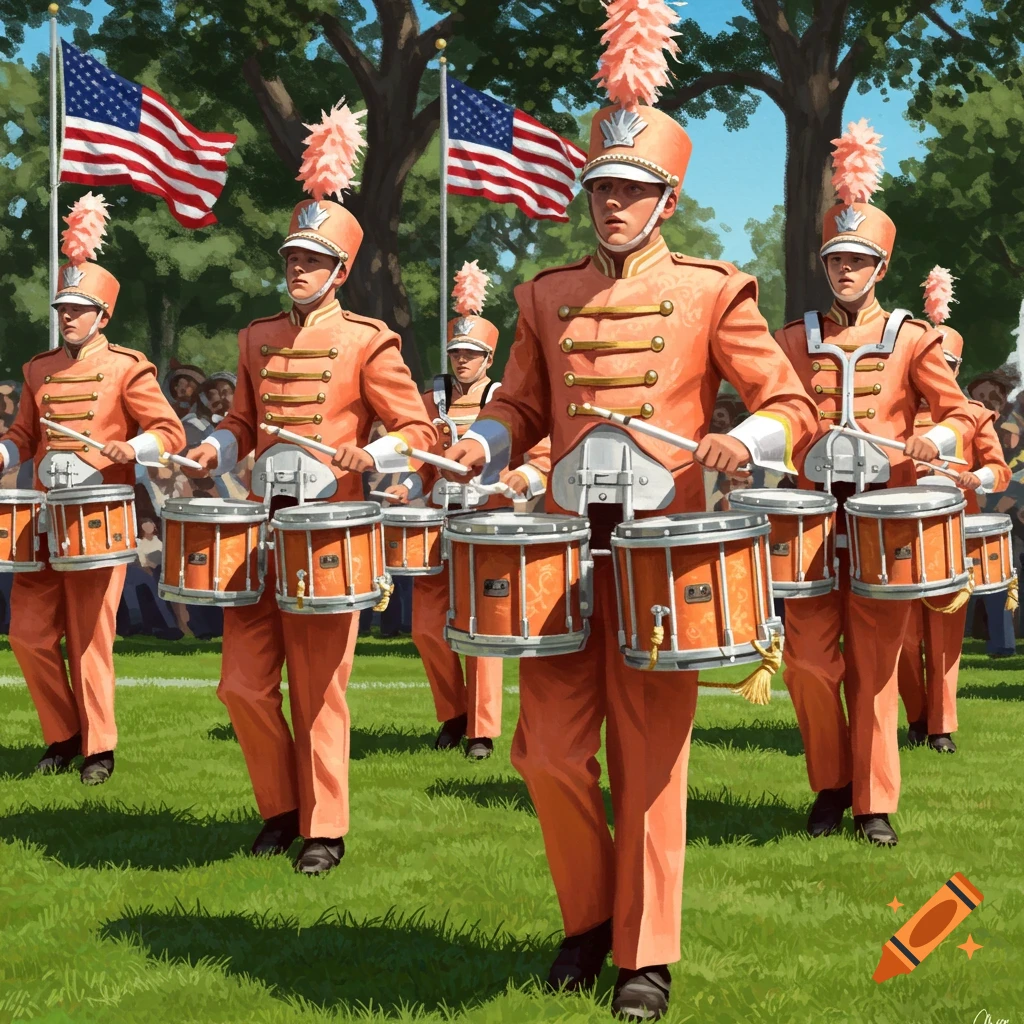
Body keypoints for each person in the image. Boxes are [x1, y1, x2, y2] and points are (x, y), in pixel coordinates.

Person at [440, 4, 818, 1015]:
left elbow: (791, 402)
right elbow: (516, 409)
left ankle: (642, 954)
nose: (612, 204)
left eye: (631, 190)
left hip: (664, 553)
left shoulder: (711, 290)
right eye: (601, 187)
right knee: (547, 751)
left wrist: (746, 438)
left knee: (649, 761)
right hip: (560, 549)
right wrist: (480, 452)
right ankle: (585, 915)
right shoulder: (543, 293)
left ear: (665, 197)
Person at [184, 101, 436, 877]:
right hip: (260, 525)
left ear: (339, 271)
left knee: (321, 687)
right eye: (291, 257)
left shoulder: (368, 340)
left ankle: (323, 826)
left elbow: (420, 432)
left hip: (331, 532)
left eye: (311, 261)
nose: (297, 270)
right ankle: (279, 807)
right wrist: (212, 450)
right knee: (240, 684)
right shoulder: (257, 337)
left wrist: (376, 454)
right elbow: (239, 422)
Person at [774, 123, 974, 847]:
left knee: (878, 665)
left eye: (859, 259)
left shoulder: (915, 337)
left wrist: (935, 439)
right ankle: (829, 780)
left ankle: (871, 804)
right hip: (806, 517)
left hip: (885, 514)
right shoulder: (793, 339)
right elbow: (774, 410)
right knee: (805, 660)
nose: (846, 270)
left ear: (881, 265)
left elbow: (962, 415)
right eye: (837, 259)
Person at [0, 193, 185, 784]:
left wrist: (131, 449)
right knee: (28, 636)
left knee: (88, 639)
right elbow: (24, 436)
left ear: (104, 315)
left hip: (98, 518)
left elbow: (170, 431)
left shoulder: (128, 367)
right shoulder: (37, 369)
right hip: (43, 518)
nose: (69, 317)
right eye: (63, 308)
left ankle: (97, 747)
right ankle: (61, 732)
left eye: (80, 309)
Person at [383, 262, 550, 761]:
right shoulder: (430, 396)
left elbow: (539, 445)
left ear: (488, 358)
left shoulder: (506, 400)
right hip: (437, 520)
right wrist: (404, 485)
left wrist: (516, 480)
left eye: (471, 354)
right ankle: (450, 714)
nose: (462, 361)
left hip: (488, 524)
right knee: (427, 629)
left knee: (482, 626)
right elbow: (419, 457)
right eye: (456, 352)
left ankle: (481, 730)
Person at [897, 267, 1012, 754]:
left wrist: (977, 478)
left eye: (944, 362)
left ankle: (942, 726)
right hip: (897, 537)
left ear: (956, 369)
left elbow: (1000, 471)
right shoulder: (894, 413)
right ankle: (917, 716)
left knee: (944, 635)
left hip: (952, 536)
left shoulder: (974, 414)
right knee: (901, 639)